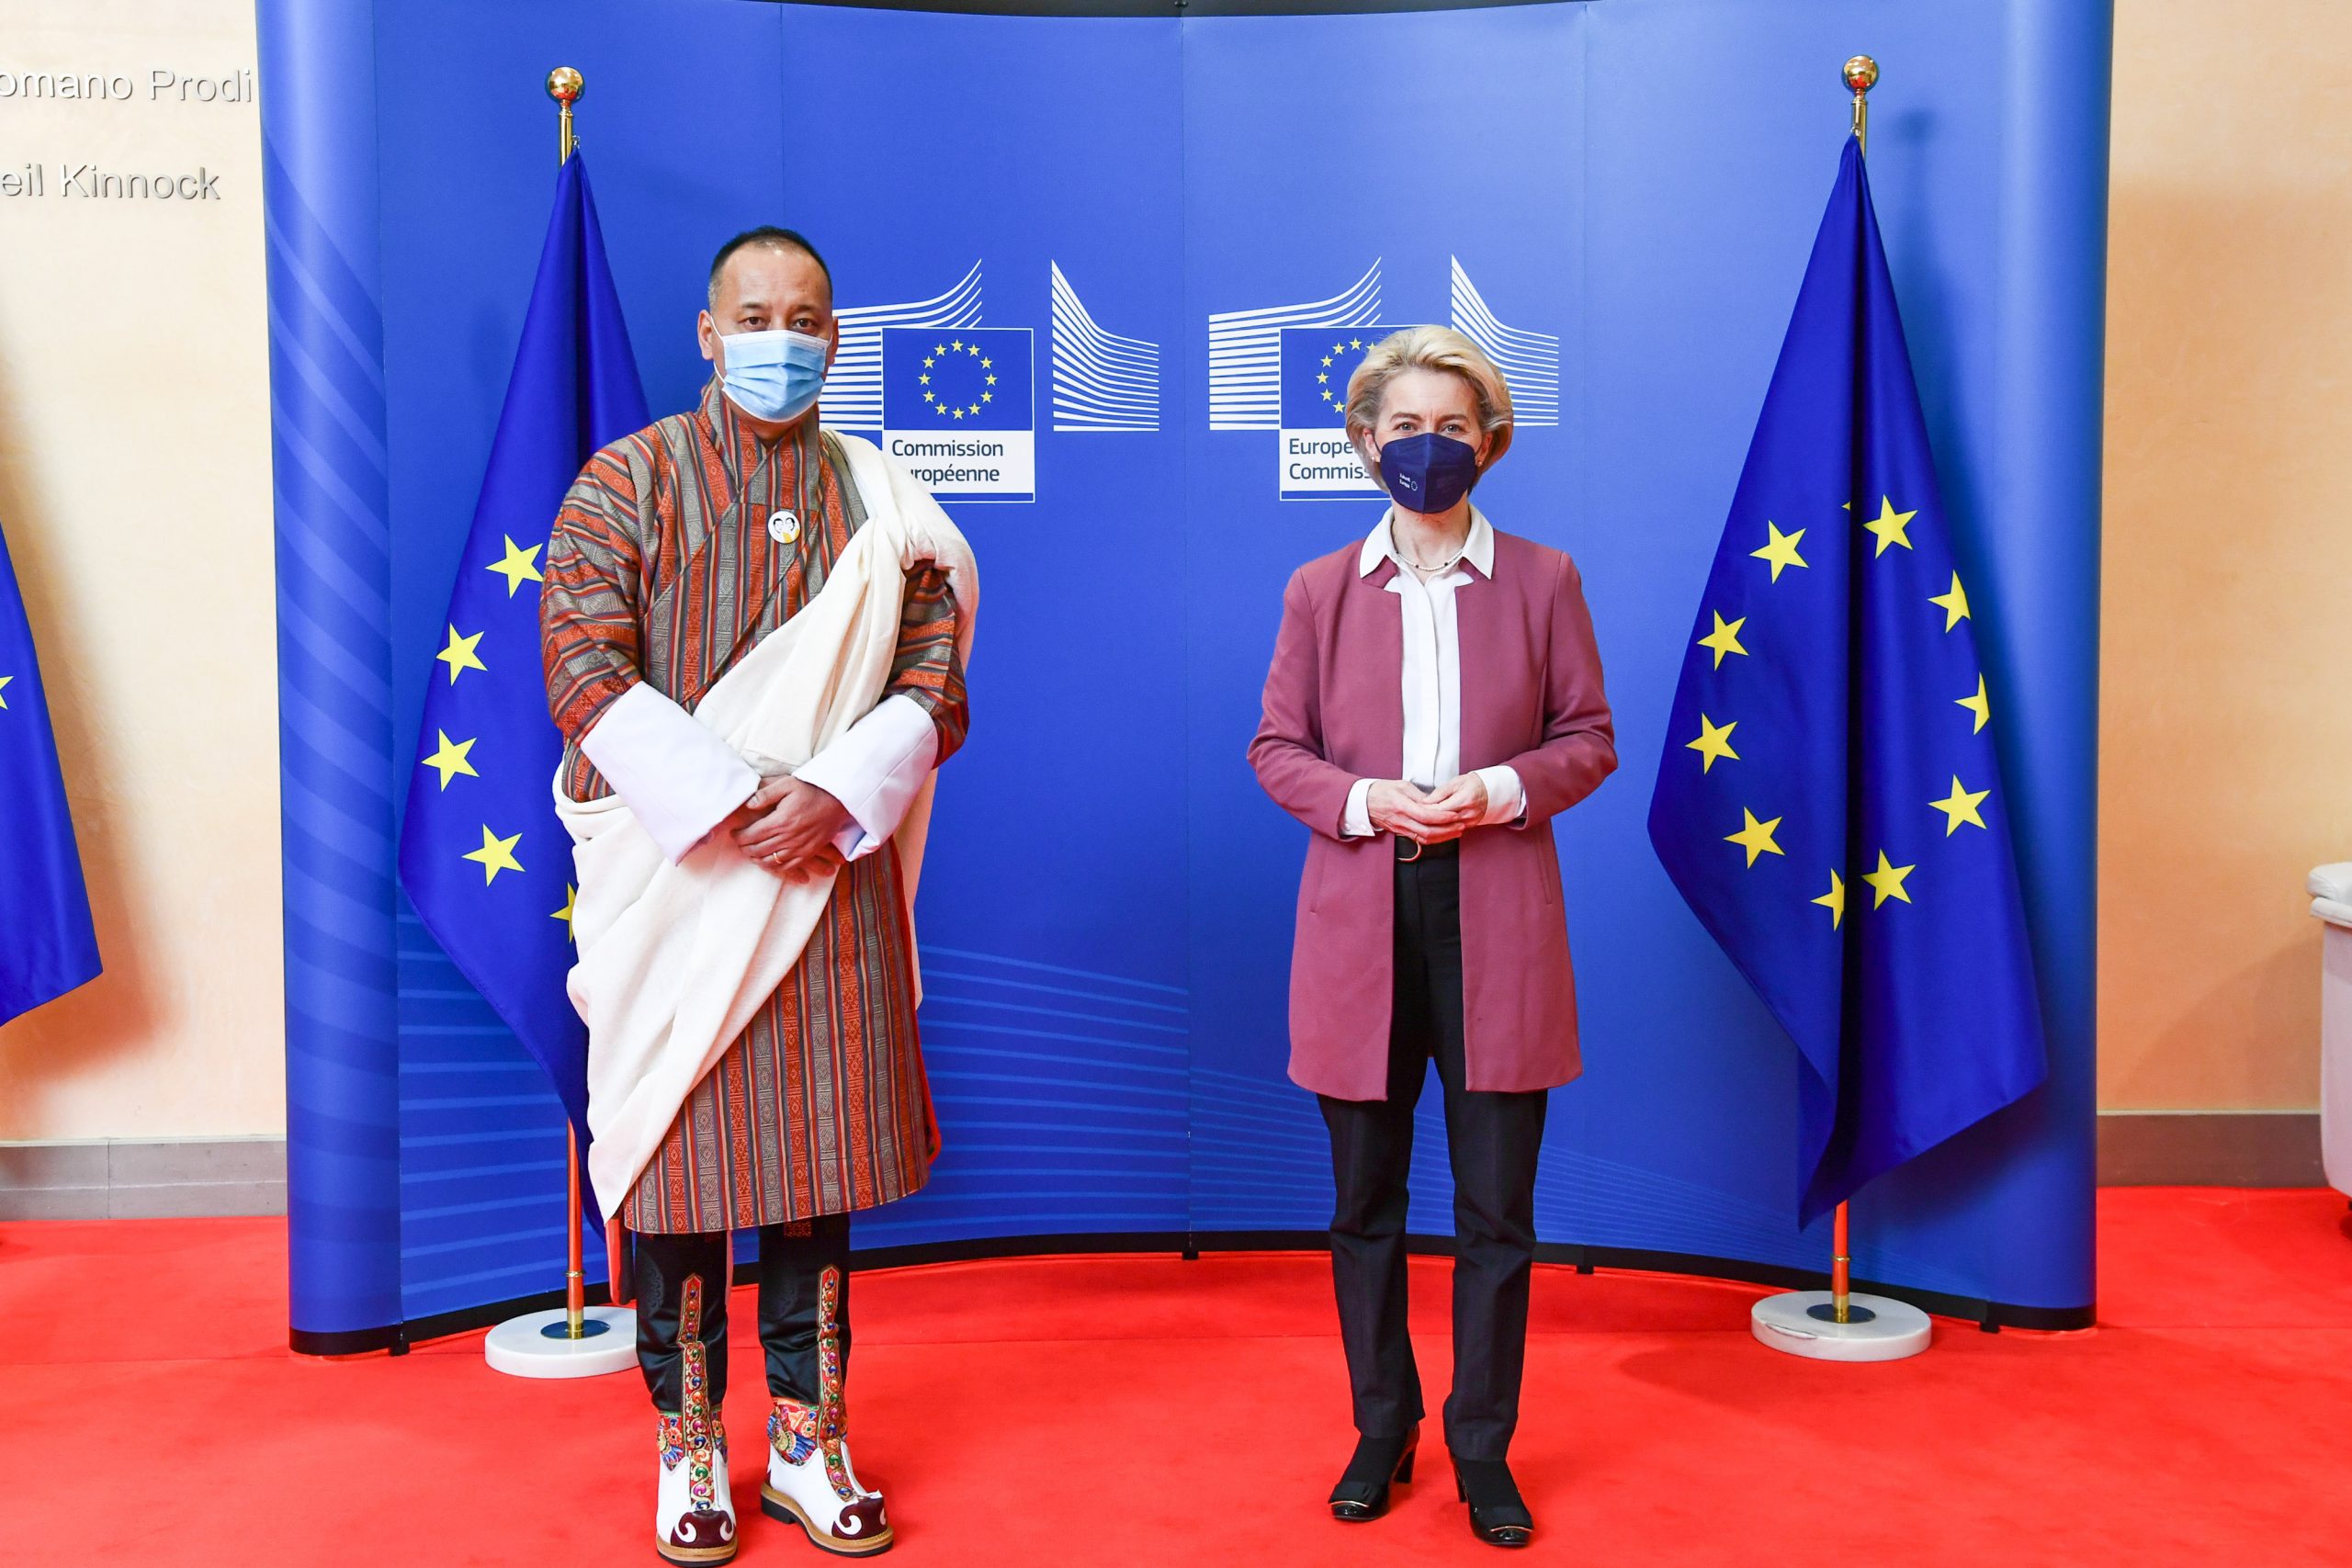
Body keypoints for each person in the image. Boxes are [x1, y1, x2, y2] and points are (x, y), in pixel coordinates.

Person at [541, 226, 975, 1564]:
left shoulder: (887, 501)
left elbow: (936, 680)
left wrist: (836, 794)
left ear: (834, 337)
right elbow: (582, 666)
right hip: (678, 876)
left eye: (804, 319)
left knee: (811, 1172)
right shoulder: (626, 482)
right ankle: (688, 1449)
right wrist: (734, 803)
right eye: (753, 316)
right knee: (677, 1177)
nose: (779, 339)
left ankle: (804, 1438)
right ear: (709, 332)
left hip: (824, 877)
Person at [1248, 326, 1614, 1549]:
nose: (1427, 446)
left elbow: (1588, 738)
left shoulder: (1545, 580)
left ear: (1491, 444)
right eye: (1404, 425)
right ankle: (1381, 1424)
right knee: (1365, 1203)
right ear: (1364, 442)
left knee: (1497, 1209)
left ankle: (1483, 1445)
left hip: (1496, 919)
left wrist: (1500, 791)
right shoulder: (1319, 589)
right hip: (1362, 918)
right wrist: (1368, 802)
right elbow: (1277, 749)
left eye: (1452, 426)